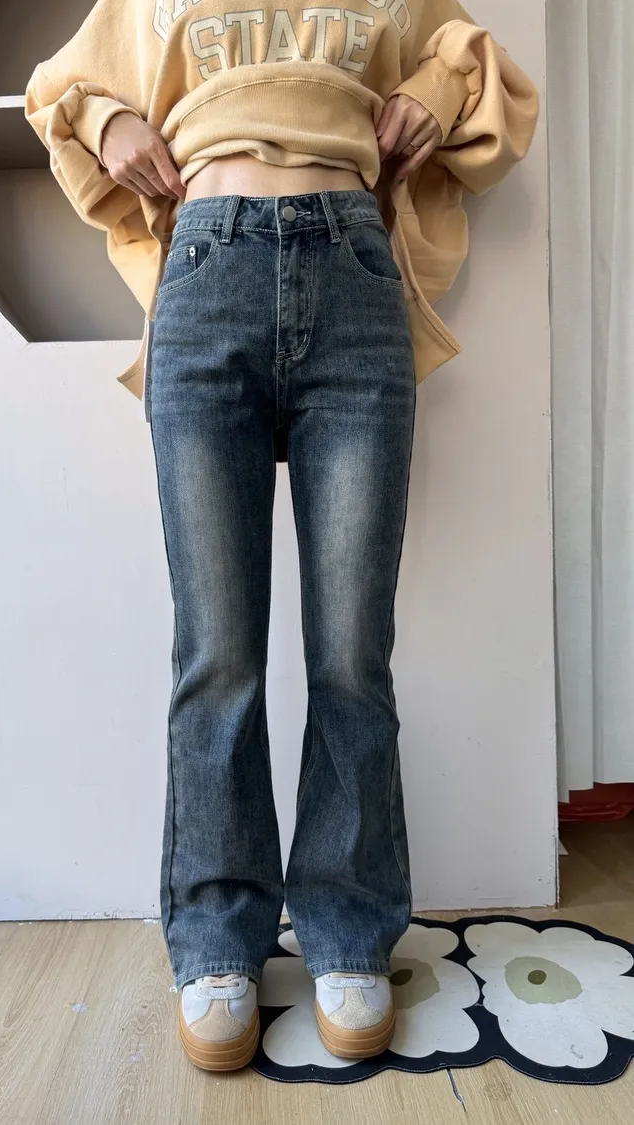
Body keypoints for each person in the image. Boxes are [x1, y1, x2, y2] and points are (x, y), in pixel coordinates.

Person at [26, 0, 538, 1072]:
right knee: (218, 652)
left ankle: (348, 925)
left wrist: (429, 92)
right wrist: (112, 121)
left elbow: (479, 68)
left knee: (352, 651)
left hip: (354, 277)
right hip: (206, 272)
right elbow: (60, 90)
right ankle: (219, 936)